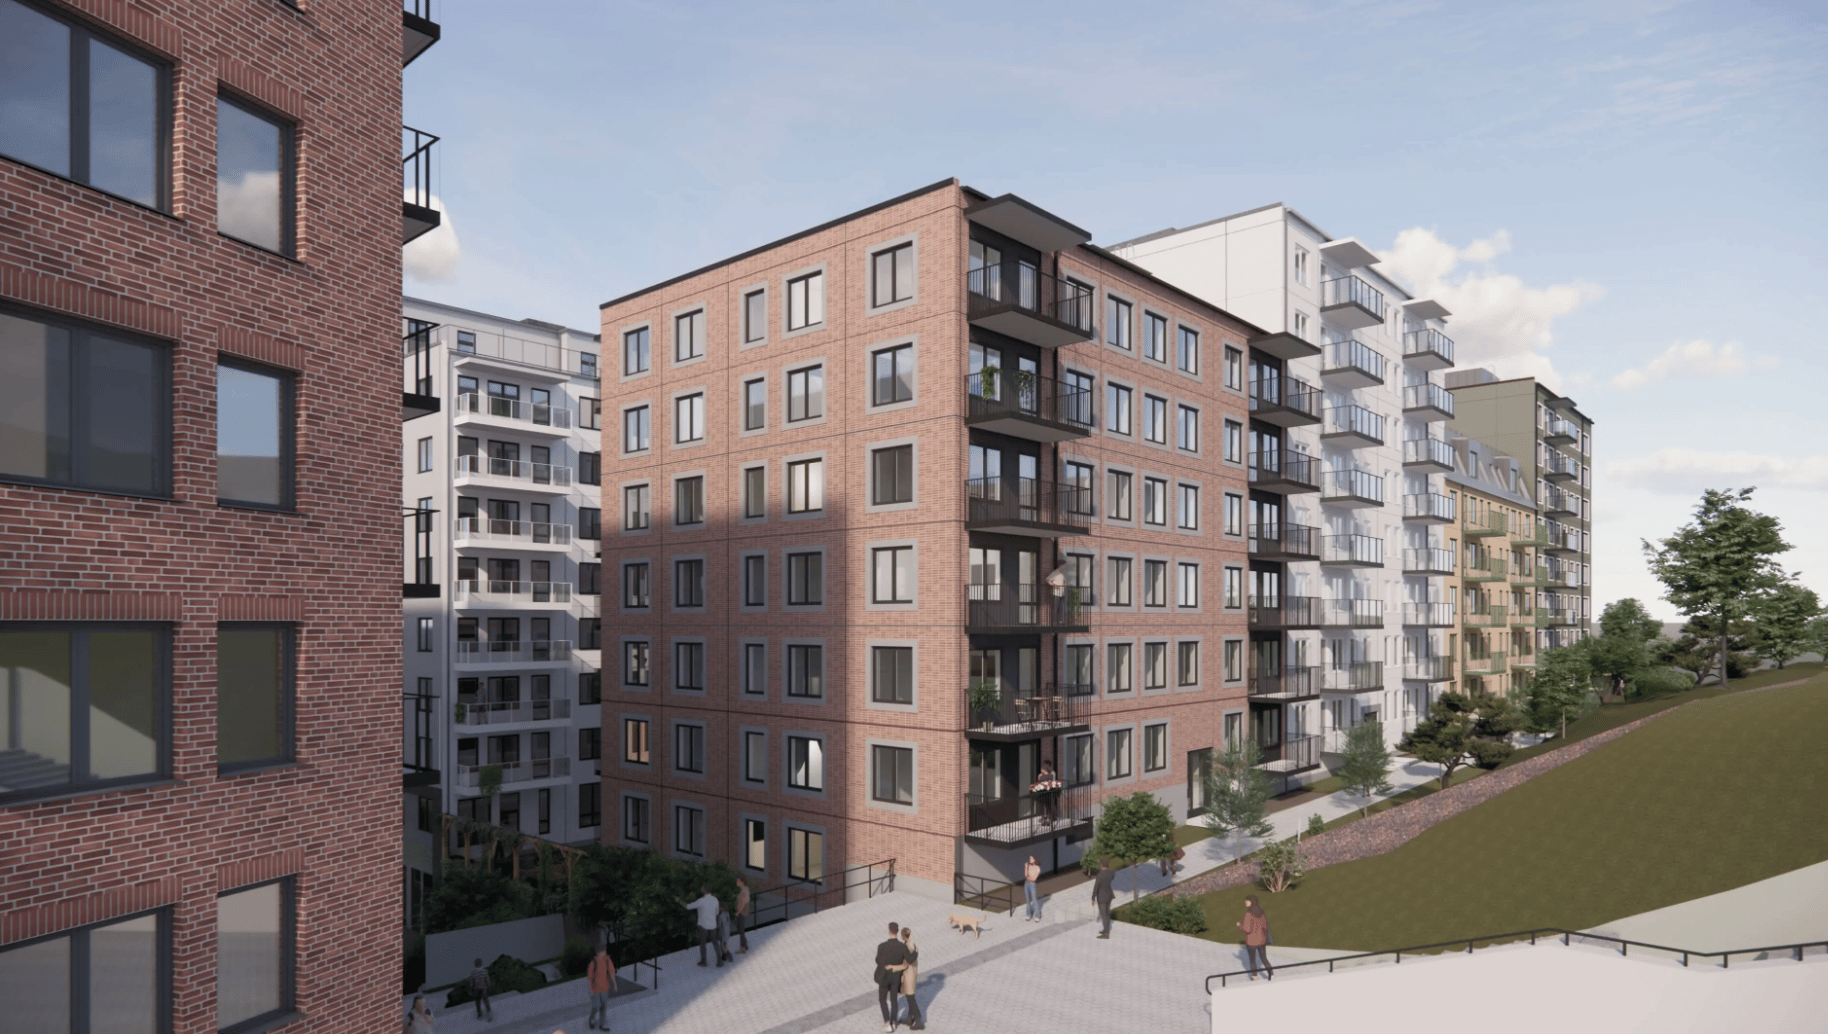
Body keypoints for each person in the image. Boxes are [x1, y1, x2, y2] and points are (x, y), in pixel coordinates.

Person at [874, 921, 910, 1033]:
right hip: (895, 977)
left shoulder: (881, 946)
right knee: (894, 1000)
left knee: (882, 999)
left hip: (883, 977)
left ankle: (887, 1022)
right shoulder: (902, 947)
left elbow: (878, 961)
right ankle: (893, 1021)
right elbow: (907, 961)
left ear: (888, 930)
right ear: (897, 931)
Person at [675, 886, 723, 967]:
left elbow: (688, 907)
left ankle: (704, 962)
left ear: (704, 891)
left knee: (703, 943)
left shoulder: (701, 901)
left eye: (702, 889)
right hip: (713, 925)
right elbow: (717, 913)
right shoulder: (715, 899)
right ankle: (720, 961)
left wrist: (679, 901)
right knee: (715, 942)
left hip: (703, 925)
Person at [1238, 895, 1273, 981]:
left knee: (1252, 960)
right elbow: (1265, 927)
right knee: (1264, 958)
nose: (1245, 902)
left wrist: (1239, 925)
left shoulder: (1248, 914)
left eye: (1247, 900)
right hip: (1261, 941)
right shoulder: (1261, 912)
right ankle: (1271, 974)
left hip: (1251, 942)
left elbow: (1247, 929)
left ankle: (1255, 977)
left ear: (1252, 902)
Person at [898, 926, 925, 1030]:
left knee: (910, 999)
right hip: (911, 974)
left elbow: (907, 960)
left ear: (903, 936)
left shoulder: (908, 946)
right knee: (910, 997)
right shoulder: (910, 943)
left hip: (909, 975)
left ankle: (919, 1021)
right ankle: (909, 1019)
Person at [586, 943, 616, 1030]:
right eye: (601, 951)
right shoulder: (593, 963)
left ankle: (602, 1024)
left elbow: (611, 972)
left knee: (603, 1006)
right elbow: (590, 978)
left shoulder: (607, 961)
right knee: (596, 1006)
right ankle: (592, 1017)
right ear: (597, 953)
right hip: (595, 989)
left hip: (605, 988)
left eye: (604, 951)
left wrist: (614, 984)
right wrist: (591, 989)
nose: (603, 953)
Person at [1091, 859, 1116, 939]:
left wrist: (1093, 897)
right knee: (1107, 913)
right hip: (1109, 895)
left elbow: (1096, 886)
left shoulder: (1100, 875)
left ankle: (1106, 934)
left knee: (1103, 915)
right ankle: (1105, 929)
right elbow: (1112, 877)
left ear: (1101, 865)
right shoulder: (1111, 872)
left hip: (1102, 897)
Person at [733, 876, 752, 953]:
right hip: (742, 912)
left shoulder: (744, 891)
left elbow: (743, 903)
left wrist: (738, 912)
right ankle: (745, 944)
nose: (737, 882)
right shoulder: (745, 889)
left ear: (742, 882)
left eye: (738, 881)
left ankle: (742, 948)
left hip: (742, 913)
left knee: (740, 930)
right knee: (740, 929)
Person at [1023, 854, 1042, 921]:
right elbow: (1026, 875)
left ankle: (1037, 916)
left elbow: (1034, 878)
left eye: (1031, 858)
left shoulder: (1037, 867)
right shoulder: (1028, 865)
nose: (1030, 860)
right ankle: (1028, 914)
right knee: (1028, 900)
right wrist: (1026, 867)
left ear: (1034, 859)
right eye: (1029, 858)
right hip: (1026, 883)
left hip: (1032, 884)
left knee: (1034, 900)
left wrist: (1029, 877)